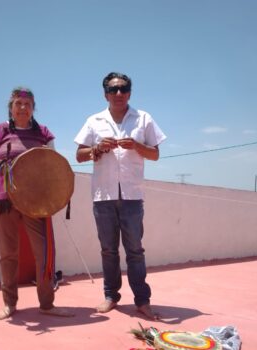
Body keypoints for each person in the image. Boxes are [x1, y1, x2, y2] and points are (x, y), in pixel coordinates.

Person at [74, 72, 166, 320]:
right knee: (108, 250)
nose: (118, 93)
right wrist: (96, 148)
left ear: (130, 93)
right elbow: (79, 155)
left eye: (123, 88)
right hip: (103, 196)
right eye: (113, 89)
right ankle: (111, 296)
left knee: (135, 250)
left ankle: (142, 300)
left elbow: (155, 154)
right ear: (105, 93)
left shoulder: (143, 118)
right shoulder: (94, 120)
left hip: (132, 196)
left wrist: (136, 145)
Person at [0, 87, 74, 320]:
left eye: (27, 104)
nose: (22, 108)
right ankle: (9, 303)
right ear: (11, 107)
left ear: (33, 108)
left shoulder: (43, 132)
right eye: (18, 103)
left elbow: (52, 165)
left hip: (36, 202)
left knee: (44, 253)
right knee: (8, 253)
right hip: (4, 199)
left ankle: (47, 304)